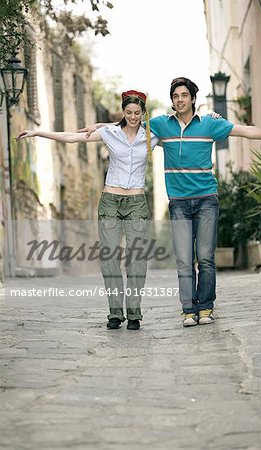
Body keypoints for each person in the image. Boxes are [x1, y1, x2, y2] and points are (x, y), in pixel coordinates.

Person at [80, 77, 261, 328]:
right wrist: (99, 125)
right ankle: (187, 309)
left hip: (207, 199)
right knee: (184, 260)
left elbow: (245, 130)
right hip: (179, 203)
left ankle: (205, 307)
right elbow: (130, 125)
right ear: (172, 100)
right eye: (175, 96)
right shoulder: (162, 125)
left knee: (205, 258)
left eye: (184, 95)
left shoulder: (209, 124)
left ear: (193, 98)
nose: (180, 100)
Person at [17, 90, 160, 331]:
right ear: (123, 112)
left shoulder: (152, 135)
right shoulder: (110, 133)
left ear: (143, 113)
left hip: (136, 203)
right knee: (110, 259)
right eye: (128, 112)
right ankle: (115, 313)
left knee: (136, 260)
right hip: (110, 202)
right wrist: (37, 132)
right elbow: (73, 137)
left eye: (137, 113)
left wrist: (214, 119)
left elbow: (182, 132)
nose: (133, 117)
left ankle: (134, 313)